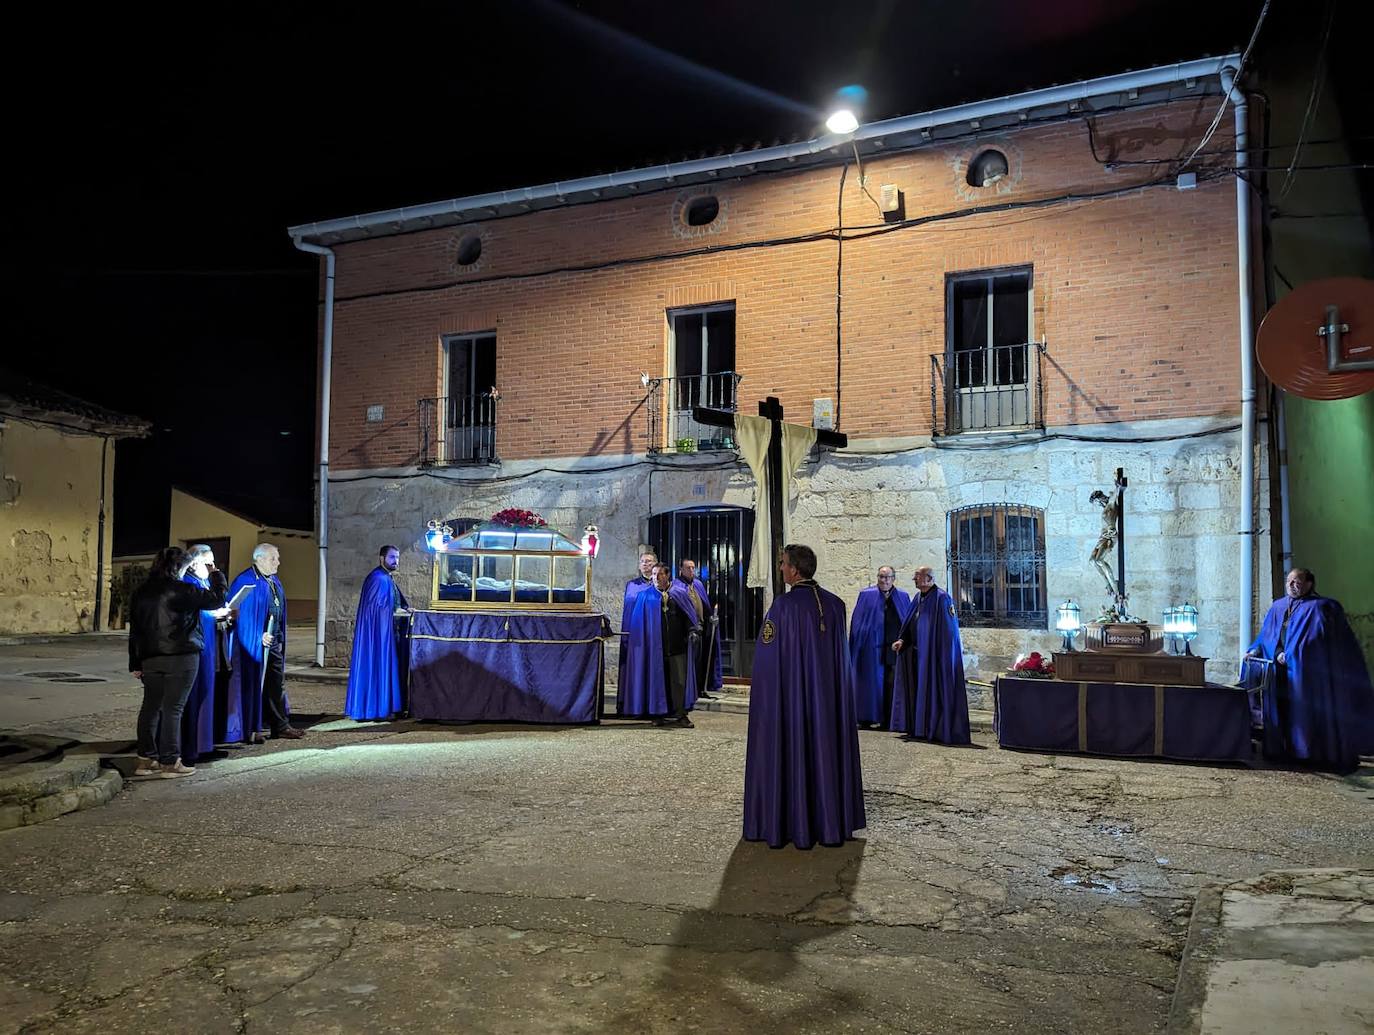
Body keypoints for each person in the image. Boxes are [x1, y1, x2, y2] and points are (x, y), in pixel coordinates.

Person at [743, 544, 865, 849]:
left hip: (793, 703)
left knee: (791, 751)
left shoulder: (782, 607)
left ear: (795, 570)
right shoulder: (836, 605)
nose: (781, 568)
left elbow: (768, 662)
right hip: (829, 704)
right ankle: (829, 821)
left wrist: (768, 699)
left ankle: (791, 822)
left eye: (783, 563)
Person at [1244, 568, 1374, 773]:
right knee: (1283, 711)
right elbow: (1267, 635)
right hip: (1279, 673)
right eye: (1289, 581)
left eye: (1297, 582)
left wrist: (1295, 654)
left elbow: (1326, 644)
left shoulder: (1323, 608)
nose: (1291, 585)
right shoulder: (1278, 607)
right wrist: (1258, 650)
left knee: (1307, 713)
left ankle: (1310, 754)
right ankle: (1281, 751)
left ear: (1309, 584)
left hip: (1310, 676)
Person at [128, 546, 228, 777]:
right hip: (181, 656)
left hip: (150, 657)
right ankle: (170, 762)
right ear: (179, 567)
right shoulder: (182, 589)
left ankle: (145, 759)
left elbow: (136, 630)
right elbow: (216, 600)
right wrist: (216, 574)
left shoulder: (141, 592)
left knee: (150, 708)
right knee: (174, 709)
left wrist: (135, 662)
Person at [226, 543, 305, 743]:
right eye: (273, 558)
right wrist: (258, 635)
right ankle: (253, 726)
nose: (278, 562)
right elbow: (239, 615)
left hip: (274, 640)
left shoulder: (272, 581)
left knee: (276, 685)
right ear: (259, 558)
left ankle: (280, 725)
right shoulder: (246, 581)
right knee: (255, 685)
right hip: (254, 646)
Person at [890, 566, 970, 745]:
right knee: (918, 692)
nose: (914, 580)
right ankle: (920, 728)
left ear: (929, 578)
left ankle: (934, 729)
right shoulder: (918, 597)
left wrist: (940, 656)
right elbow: (910, 623)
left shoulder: (942, 599)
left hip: (934, 658)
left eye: (917, 577)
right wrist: (902, 640)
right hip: (917, 656)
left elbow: (949, 635)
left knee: (933, 693)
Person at [619, 562, 698, 726]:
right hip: (654, 648)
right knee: (656, 680)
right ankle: (658, 713)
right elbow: (638, 626)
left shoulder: (679, 593)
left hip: (677, 646)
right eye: (654, 574)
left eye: (659, 574)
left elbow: (689, 617)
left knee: (679, 681)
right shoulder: (645, 596)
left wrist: (692, 631)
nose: (655, 577)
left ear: (667, 575)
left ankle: (681, 714)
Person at [345, 545, 411, 721]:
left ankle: (389, 706)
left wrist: (404, 609)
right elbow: (378, 611)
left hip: (390, 633)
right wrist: (396, 613)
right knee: (380, 666)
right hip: (380, 636)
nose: (395, 561)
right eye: (392, 557)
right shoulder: (378, 579)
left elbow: (393, 604)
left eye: (397, 557)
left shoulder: (387, 578)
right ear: (382, 559)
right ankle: (379, 708)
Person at [178, 544, 230, 764]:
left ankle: (204, 744)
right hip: (197, 647)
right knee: (193, 699)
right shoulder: (188, 584)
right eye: (210, 563)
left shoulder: (201, 582)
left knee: (206, 696)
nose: (213, 567)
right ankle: (190, 749)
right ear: (197, 563)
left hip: (207, 645)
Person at [848, 566, 911, 729]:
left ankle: (890, 720)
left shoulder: (903, 597)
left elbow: (908, 622)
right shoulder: (866, 595)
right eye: (881, 577)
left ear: (894, 578)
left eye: (888, 577)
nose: (885, 580)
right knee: (871, 683)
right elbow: (857, 623)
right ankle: (867, 717)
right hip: (871, 649)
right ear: (877, 578)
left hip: (893, 649)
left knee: (891, 684)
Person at [616, 550, 659, 715]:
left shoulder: (658, 585)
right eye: (642, 561)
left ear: (655, 564)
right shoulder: (631, 585)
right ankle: (629, 704)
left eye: (649, 561)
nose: (645, 564)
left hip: (651, 635)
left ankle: (650, 705)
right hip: (633, 633)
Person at [677, 559, 724, 701]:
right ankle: (688, 692)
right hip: (687, 632)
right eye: (688, 568)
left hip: (701, 629)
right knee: (689, 664)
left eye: (693, 567)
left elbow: (705, 605)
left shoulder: (698, 584)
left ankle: (700, 689)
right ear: (681, 569)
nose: (692, 570)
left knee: (701, 662)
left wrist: (711, 618)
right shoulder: (677, 586)